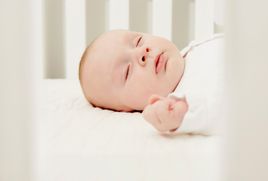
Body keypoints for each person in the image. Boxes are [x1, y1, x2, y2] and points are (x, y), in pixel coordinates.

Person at [79, 30, 224, 135]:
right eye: (128, 71)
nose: (142, 52)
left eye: (138, 41)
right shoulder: (186, 102)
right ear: (125, 109)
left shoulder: (196, 48)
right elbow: (223, 116)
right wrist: (180, 116)